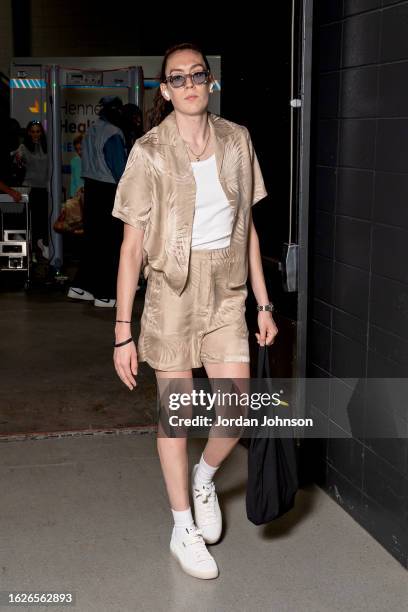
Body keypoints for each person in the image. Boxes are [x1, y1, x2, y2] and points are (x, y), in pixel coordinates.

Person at [111, 42, 278, 580]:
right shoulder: (149, 152)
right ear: (165, 89)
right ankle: (182, 525)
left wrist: (263, 303)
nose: (188, 85)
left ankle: (205, 478)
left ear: (210, 82)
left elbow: (247, 228)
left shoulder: (237, 140)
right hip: (171, 292)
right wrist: (121, 330)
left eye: (197, 75)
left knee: (238, 410)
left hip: (226, 290)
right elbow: (132, 248)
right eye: (177, 78)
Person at [67, 96, 127, 307]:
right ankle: (105, 294)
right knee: (110, 243)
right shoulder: (113, 132)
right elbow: (119, 168)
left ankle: (81, 287)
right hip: (108, 189)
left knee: (93, 240)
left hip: (91, 188)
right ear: (115, 111)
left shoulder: (91, 129)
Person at [13, 120, 49, 260]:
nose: (35, 134)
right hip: (29, 188)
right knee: (30, 221)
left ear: (41, 132)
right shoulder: (23, 147)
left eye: (38, 131)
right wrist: (17, 159)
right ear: (28, 133)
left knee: (43, 221)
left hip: (44, 189)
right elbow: (16, 159)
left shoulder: (47, 147)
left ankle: (40, 247)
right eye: (33, 131)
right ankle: (30, 252)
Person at [69, 133, 84, 198]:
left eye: (81, 149)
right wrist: (72, 196)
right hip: (77, 197)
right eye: (77, 149)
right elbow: (73, 181)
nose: (79, 152)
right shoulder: (74, 161)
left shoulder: (92, 162)